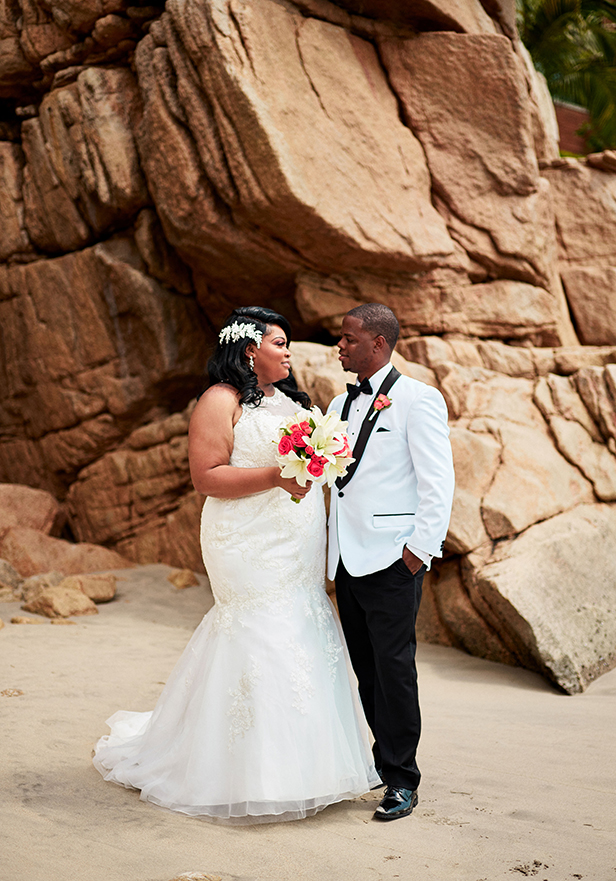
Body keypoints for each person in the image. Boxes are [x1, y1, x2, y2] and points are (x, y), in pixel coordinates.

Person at [93, 306, 380, 823]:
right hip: (245, 541)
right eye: (279, 342)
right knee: (259, 628)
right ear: (251, 349)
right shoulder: (219, 400)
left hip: (296, 541)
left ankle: (308, 768)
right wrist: (275, 476)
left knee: (300, 625)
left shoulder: (292, 400)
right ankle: (245, 772)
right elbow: (206, 477)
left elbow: (311, 464)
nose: (288, 351)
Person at [327, 303, 454, 821]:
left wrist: (416, 554)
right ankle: (384, 763)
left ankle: (403, 779)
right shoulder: (337, 405)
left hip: (392, 560)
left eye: (348, 338)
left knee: (395, 670)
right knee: (366, 671)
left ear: (378, 343)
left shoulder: (418, 399)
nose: (340, 345)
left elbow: (437, 483)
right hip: (347, 563)